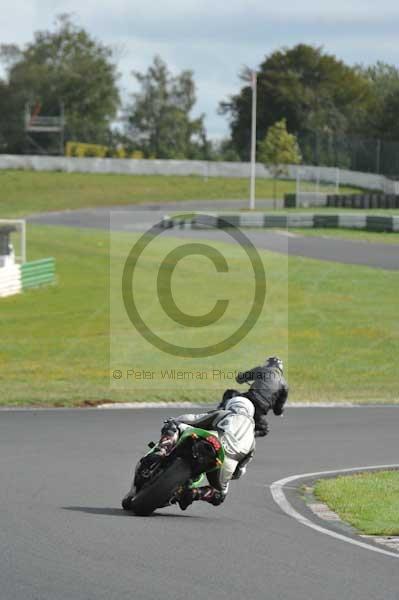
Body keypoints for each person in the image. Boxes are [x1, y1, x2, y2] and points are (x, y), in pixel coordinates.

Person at [138, 396, 256, 511]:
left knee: (174, 425)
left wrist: (175, 420)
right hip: (227, 463)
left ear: (231, 406)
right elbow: (240, 472)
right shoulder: (252, 442)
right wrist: (230, 472)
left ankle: (161, 451)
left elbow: (194, 418)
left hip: (213, 438)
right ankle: (195, 493)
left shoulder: (226, 414)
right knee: (220, 495)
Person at [219, 356, 288, 438]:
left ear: (270, 364)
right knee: (264, 429)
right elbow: (277, 411)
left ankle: (220, 414)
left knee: (230, 393)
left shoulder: (262, 370)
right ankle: (246, 437)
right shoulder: (285, 385)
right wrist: (280, 411)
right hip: (260, 409)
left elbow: (240, 379)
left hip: (250, 398)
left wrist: (240, 377)